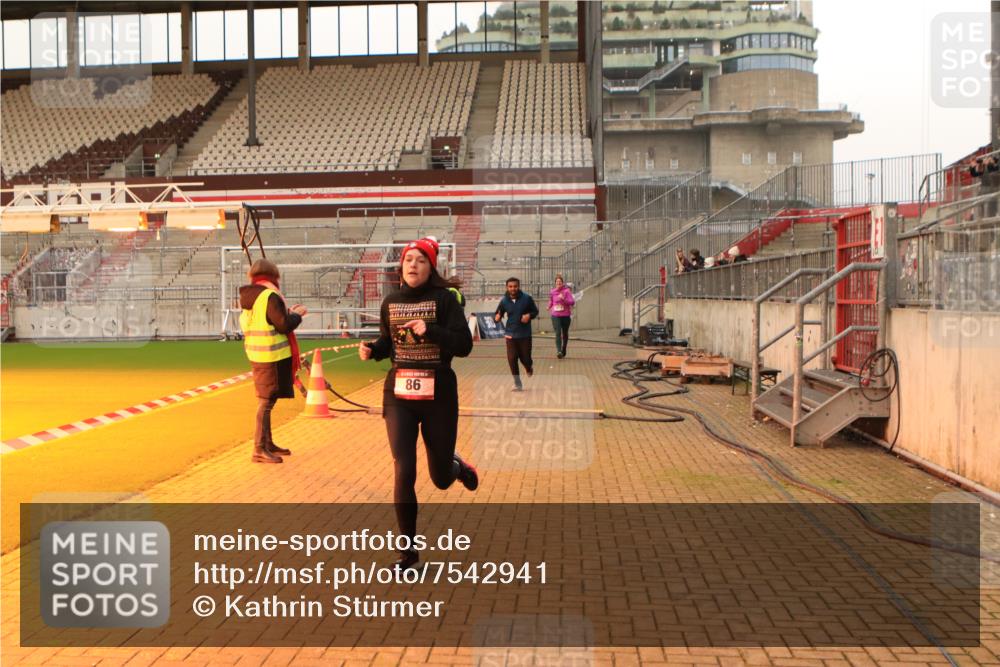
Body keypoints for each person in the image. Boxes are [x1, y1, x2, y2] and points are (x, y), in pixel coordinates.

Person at [359, 237, 478, 571]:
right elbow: (390, 342)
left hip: (439, 393)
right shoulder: (391, 301)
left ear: (432, 266)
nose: (413, 265)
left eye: (421, 260)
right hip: (399, 396)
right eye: (408, 259)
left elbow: (464, 346)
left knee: (439, 477)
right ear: (401, 266)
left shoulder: (445, 300)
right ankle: (408, 552)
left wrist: (432, 330)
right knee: (404, 469)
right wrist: (373, 350)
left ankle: (456, 466)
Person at [239, 258, 307, 464]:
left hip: (258, 355)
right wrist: (297, 315)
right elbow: (283, 325)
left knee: (268, 400)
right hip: (272, 356)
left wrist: (287, 314)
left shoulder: (251, 297)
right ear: (274, 276)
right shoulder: (269, 295)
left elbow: (270, 320)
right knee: (266, 402)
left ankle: (267, 443)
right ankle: (259, 448)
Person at [495, 277, 539, 391]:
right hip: (510, 334)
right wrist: (497, 318)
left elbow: (535, 311)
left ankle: (528, 367)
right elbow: (497, 314)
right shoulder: (504, 301)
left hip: (524, 334)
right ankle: (517, 383)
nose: (512, 289)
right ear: (507, 287)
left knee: (525, 358)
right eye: (510, 287)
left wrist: (529, 316)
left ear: (518, 287)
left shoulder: (527, 298)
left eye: (515, 286)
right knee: (512, 358)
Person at [548, 274, 575, 359]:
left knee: (565, 333)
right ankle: (559, 351)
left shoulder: (566, 291)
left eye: (560, 282)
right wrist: (548, 306)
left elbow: (572, 302)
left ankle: (564, 349)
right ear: (555, 283)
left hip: (565, 315)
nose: (558, 283)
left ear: (562, 283)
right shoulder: (552, 291)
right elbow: (551, 301)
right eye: (557, 282)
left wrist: (564, 299)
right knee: (558, 332)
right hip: (555, 315)